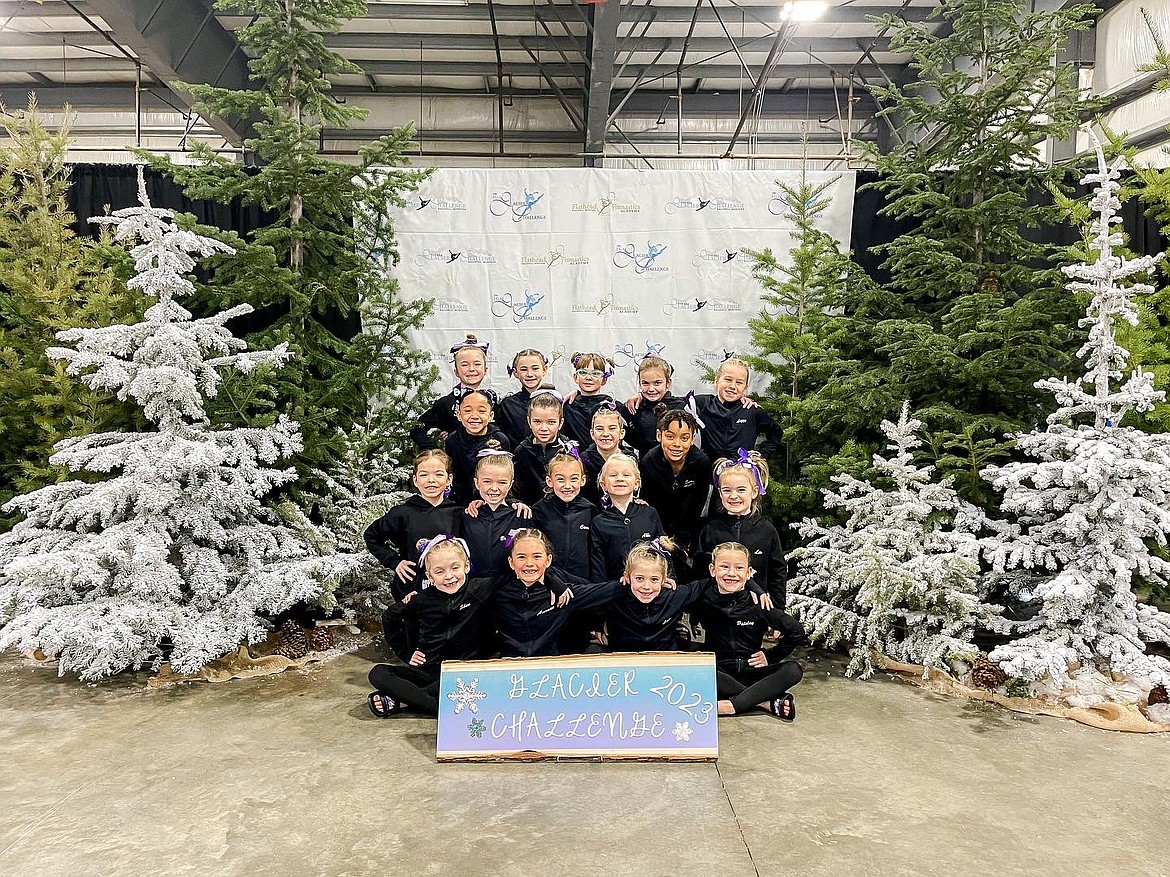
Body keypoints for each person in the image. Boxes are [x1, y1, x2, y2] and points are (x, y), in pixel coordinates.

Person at [366, 535, 552, 717]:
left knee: (462, 685)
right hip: (429, 669)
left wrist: (556, 584)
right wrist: (406, 653)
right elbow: (390, 617)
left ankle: (403, 699)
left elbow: (525, 572)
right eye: (439, 572)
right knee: (378, 674)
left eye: (455, 568)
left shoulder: (479, 588)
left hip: (465, 672)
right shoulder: (421, 599)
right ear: (429, 576)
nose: (449, 577)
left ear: (466, 566)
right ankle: (440, 708)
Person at [690, 542, 807, 722]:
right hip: (719, 672)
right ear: (712, 570)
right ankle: (763, 701)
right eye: (724, 567)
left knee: (793, 670)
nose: (731, 573)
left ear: (748, 572)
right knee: (693, 666)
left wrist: (771, 656)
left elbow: (796, 631)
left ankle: (733, 706)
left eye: (739, 568)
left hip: (751, 670)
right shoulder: (703, 598)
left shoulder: (758, 603)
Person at [363, 450, 462, 661]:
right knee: (417, 628)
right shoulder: (403, 513)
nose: (431, 480)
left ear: (449, 479)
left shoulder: (457, 512)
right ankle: (416, 661)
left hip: (450, 585)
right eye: (424, 475)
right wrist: (394, 561)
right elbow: (372, 535)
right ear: (415, 480)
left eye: (438, 474)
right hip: (414, 584)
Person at [600, 540, 769, 652]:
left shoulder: (675, 596)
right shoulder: (614, 593)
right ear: (627, 577)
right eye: (639, 578)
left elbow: (716, 579)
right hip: (624, 668)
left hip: (665, 665)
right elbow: (582, 593)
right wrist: (597, 622)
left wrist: (752, 585)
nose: (646, 586)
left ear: (664, 579)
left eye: (654, 579)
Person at [487, 528, 614, 657]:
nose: (529, 563)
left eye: (537, 556)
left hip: (551, 666)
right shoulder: (495, 591)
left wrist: (630, 580)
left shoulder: (564, 592)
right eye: (521, 557)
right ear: (511, 562)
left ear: (548, 560)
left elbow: (603, 591)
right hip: (509, 667)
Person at [696, 450, 787, 609]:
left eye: (741, 490)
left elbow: (778, 573)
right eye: (727, 490)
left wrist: (777, 612)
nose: (733, 496)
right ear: (720, 492)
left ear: (754, 491)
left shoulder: (767, 531)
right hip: (716, 610)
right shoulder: (711, 529)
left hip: (754, 610)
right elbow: (699, 571)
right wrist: (697, 611)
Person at [638, 407, 712, 574]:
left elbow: (697, 505)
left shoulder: (701, 463)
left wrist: (682, 541)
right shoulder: (649, 462)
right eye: (670, 437)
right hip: (659, 530)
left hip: (689, 531)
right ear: (659, 436)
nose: (677, 444)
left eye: (684, 438)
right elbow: (649, 503)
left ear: (693, 439)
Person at [686, 357, 780, 464]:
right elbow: (676, 405)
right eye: (728, 380)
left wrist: (761, 456)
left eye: (739, 383)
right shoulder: (703, 404)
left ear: (745, 388)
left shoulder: (752, 411)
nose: (732, 386)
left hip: (741, 475)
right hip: (708, 473)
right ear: (717, 381)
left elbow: (776, 433)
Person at [589, 452, 665, 580]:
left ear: (636, 483)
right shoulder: (599, 522)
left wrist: (669, 577)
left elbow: (663, 550)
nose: (619, 479)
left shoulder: (650, 514)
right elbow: (598, 568)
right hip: (615, 590)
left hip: (649, 588)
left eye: (626, 475)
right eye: (613, 475)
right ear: (603, 485)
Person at [411, 333, 490, 449]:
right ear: (456, 371)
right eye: (464, 365)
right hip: (456, 464)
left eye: (477, 364)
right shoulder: (445, 403)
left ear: (485, 370)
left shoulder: (491, 401)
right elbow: (417, 429)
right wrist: (436, 451)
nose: (471, 369)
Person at [461, 449, 528, 579]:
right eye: (487, 481)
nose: (494, 488)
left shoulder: (521, 515)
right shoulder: (467, 516)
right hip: (475, 586)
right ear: (477, 483)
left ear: (510, 484)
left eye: (502, 482)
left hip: (509, 587)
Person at [531, 450, 596, 581]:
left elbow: (595, 552)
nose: (567, 486)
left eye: (573, 479)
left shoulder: (590, 510)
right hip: (550, 581)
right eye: (560, 479)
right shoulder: (538, 511)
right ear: (549, 481)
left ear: (582, 480)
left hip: (582, 582)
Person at [444, 388, 510, 505]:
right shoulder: (452, 440)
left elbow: (506, 474)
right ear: (459, 415)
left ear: (491, 416)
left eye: (481, 411)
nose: (474, 416)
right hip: (461, 501)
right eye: (468, 411)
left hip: (492, 499)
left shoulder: (500, 440)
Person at [512, 387, 575, 504]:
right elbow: (516, 489)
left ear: (560, 423)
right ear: (529, 421)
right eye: (537, 422)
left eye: (551, 422)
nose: (544, 428)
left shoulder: (569, 450)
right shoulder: (521, 451)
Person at [619, 356, 688, 454]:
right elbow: (633, 440)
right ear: (640, 383)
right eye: (645, 383)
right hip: (646, 465)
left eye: (657, 383)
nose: (651, 389)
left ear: (668, 383)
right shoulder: (634, 407)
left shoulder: (681, 407)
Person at [581, 401, 638, 508]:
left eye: (612, 428)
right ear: (592, 434)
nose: (605, 434)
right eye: (599, 429)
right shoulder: (584, 460)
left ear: (622, 433)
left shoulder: (630, 458)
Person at [497, 348, 550, 446]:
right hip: (518, 459)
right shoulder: (507, 405)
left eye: (535, 368)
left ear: (544, 369)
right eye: (524, 369)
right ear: (515, 373)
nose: (529, 374)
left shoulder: (555, 402)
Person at [562, 352, 617, 444]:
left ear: (604, 379)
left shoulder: (612, 406)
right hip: (574, 457)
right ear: (575, 377)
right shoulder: (568, 406)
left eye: (595, 373)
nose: (588, 377)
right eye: (583, 373)